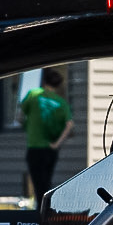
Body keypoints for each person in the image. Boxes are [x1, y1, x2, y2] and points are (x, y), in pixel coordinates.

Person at [19, 68, 75, 196]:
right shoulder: (61, 103)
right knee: (47, 182)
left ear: (44, 82)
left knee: (38, 184)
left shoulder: (33, 95)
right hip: (51, 149)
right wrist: (57, 144)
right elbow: (69, 125)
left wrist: (27, 125)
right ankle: (45, 209)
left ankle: (40, 212)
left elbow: (20, 116)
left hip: (35, 147)